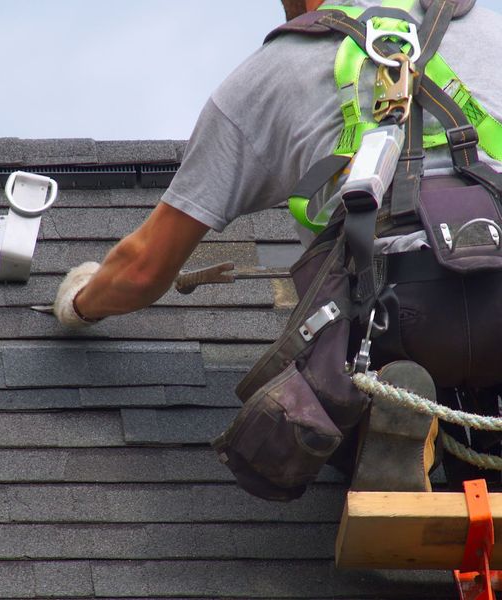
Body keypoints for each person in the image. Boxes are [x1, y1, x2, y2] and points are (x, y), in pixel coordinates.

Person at [54, 0, 502, 490]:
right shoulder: (490, 30)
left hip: (395, 323)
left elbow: (143, 268)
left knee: (337, 368)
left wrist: (79, 303)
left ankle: (378, 423)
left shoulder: (273, 73)